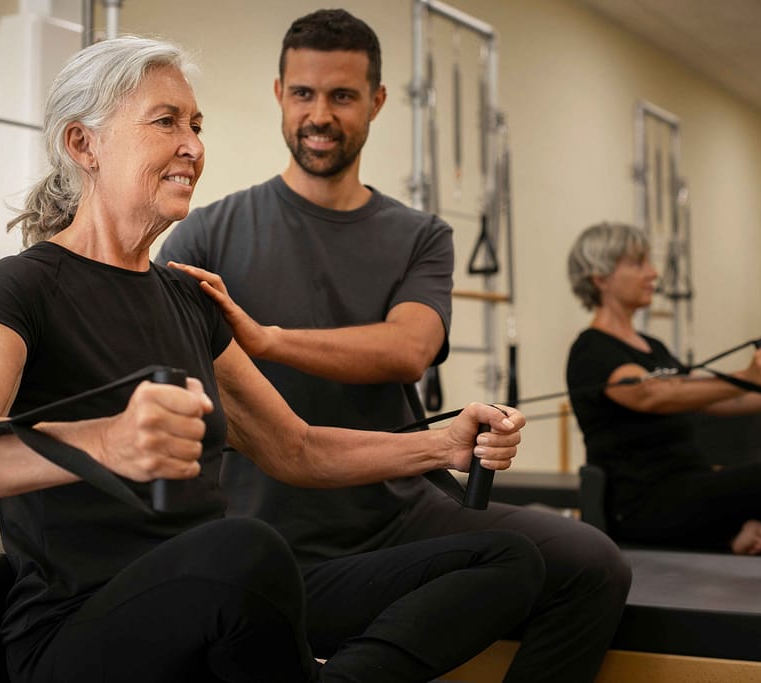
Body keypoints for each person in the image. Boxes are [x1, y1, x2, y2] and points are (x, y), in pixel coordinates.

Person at [0, 36, 550, 683]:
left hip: (220, 589)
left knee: (508, 558)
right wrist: (107, 440)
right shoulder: (22, 286)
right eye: (166, 121)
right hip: (81, 625)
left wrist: (439, 444)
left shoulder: (189, 299)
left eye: (196, 125)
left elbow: (297, 447)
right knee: (244, 546)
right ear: (85, 145)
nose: (193, 145)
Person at [158, 10, 631, 682]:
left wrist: (268, 338)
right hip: (265, 526)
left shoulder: (420, 235)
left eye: (342, 96)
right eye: (303, 94)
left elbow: (409, 347)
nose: (319, 114)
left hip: (400, 512)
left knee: (594, 563)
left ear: (377, 102)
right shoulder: (205, 234)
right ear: (279, 95)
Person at [565, 221, 761, 555]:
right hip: (642, 504)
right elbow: (653, 395)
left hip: (692, 483)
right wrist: (746, 376)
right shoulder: (591, 350)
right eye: (638, 263)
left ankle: (756, 532)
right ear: (601, 277)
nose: (653, 273)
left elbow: (711, 399)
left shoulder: (652, 346)